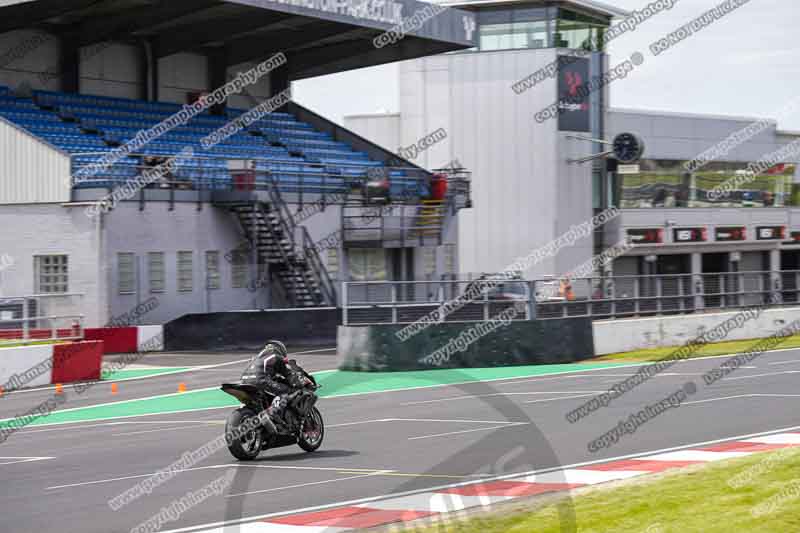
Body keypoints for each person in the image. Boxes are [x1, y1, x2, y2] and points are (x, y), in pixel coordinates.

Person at [240, 340, 312, 429]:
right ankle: (274, 415)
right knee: (288, 391)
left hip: (243, 382)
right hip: (261, 381)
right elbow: (289, 374)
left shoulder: (255, 358)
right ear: (280, 349)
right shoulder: (276, 356)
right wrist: (300, 382)